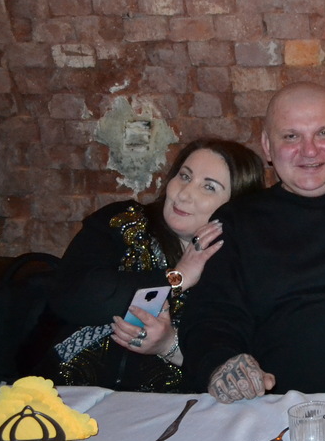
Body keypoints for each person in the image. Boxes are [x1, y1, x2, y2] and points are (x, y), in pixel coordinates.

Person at [179, 83, 325, 401]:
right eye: (291, 137)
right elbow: (212, 315)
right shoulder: (239, 220)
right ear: (267, 147)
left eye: (324, 133)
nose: (310, 151)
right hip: (285, 409)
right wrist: (222, 363)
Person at [50, 139, 264, 392]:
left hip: (174, 407)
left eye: (209, 187)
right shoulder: (124, 222)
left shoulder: (241, 265)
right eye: (184, 176)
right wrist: (177, 277)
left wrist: (169, 345)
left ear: (236, 204)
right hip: (64, 393)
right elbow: (71, 294)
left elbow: (242, 362)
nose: (184, 194)